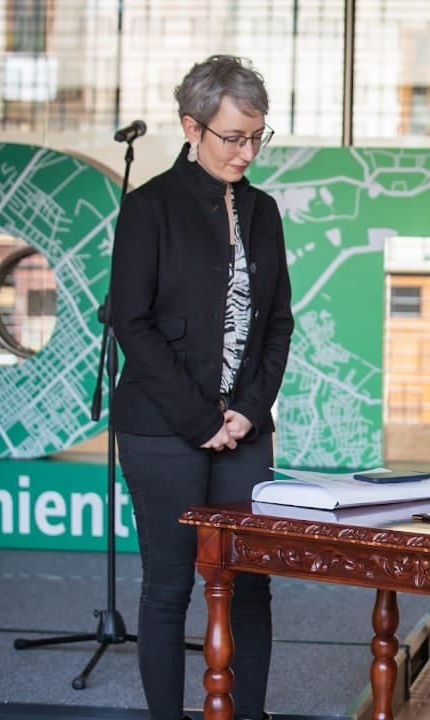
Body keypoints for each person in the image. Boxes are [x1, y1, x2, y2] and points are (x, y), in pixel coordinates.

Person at [109, 54, 292, 720]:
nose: (247, 153)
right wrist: (200, 419)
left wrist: (246, 410)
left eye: (256, 137)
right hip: (162, 431)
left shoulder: (264, 212)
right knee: (168, 589)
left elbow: (277, 325)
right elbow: (131, 322)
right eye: (232, 137)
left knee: (250, 586)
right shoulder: (148, 208)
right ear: (191, 127)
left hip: (243, 432)